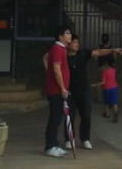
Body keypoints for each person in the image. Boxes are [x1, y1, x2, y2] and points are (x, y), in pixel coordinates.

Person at [42, 34, 122, 150]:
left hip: (83, 90)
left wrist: (112, 50)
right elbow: (46, 58)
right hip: (69, 91)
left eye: (77, 42)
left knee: (86, 115)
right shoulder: (62, 52)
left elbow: (98, 52)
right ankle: (69, 139)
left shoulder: (83, 53)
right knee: (69, 116)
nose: (77, 44)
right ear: (68, 44)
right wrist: (49, 73)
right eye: (74, 42)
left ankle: (85, 138)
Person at [44, 26, 72, 158]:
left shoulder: (61, 49)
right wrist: (62, 88)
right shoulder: (57, 49)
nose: (70, 35)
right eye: (67, 33)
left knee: (57, 118)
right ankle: (50, 146)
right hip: (56, 91)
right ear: (60, 36)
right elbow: (56, 69)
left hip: (59, 90)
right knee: (55, 118)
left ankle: (53, 144)